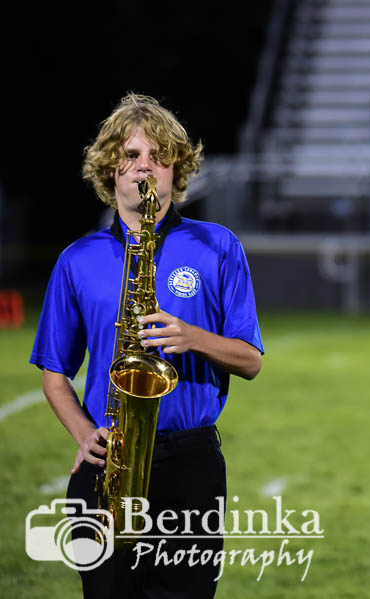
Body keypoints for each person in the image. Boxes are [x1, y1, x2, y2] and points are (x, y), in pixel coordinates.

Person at [30, 93, 264, 598]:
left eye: (160, 156)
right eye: (132, 155)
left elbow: (251, 361)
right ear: (109, 168)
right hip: (109, 462)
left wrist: (193, 337)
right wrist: (83, 434)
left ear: (177, 169)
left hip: (190, 466)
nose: (145, 166)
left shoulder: (218, 245)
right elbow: (54, 373)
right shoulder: (77, 259)